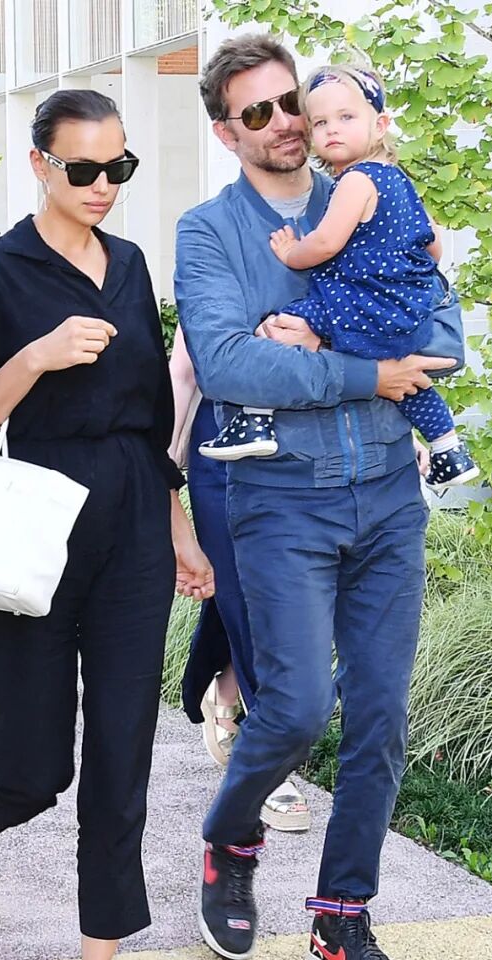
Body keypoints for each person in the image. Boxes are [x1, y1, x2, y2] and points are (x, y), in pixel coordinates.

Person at [0, 90, 214, 960]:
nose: (102, 187)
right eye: (82, 169)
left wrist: (178, 527)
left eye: (117, 168)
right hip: (32, 523)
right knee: (37, 764)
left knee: (123, 755)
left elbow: (147, 415)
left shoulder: (128, 265)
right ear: (39, 164)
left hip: (131, 521)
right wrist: (36, 359)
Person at [175, 34, 465, 960]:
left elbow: (445, 338)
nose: (287, 122)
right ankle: (231, 836)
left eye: (292, 100)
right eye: (257, 111)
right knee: (296, 708)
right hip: (281, 500)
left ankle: (342, 922)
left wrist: (331, 350)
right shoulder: (210, 233)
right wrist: (370, 372)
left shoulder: (385, 193)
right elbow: (231, 365)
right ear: (228, 133)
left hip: (387, 495)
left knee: (380, 716)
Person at [200, 64, 479, 494]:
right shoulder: (401, 183)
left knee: (278, 328)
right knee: (409, 383)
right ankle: (448, 449)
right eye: (320, 122)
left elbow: (326, 242)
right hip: (405, 313)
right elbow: (434, 248)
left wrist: (292, 253)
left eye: (346, 118)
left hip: (360, 306)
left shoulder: (355, 180)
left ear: (380, 124)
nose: (331, 130)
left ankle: (255, 421)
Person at [169, 327, 310, 831]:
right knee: (244, 594)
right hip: (222, 450)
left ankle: (225, 686)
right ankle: (269, 763)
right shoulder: (216, 283)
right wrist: (163, 472)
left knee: (270, 595)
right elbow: (184, 373)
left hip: (306, 446)